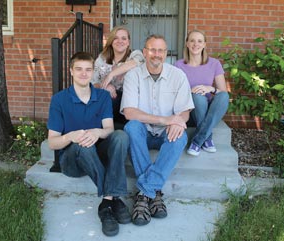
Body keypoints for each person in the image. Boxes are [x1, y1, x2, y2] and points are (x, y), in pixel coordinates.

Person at [47, 52, 130, 237]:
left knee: (120, 136)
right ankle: (114, 198)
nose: (84, 74)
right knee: (81, 145)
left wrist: (96, 132)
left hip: (96, 154)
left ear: (93, 72)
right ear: (71, 71)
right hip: (72, 162)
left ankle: (106, 204)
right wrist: (71, 136)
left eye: (88, 69)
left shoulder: (102, 96)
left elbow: (108, 128)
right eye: (79, 69)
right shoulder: (59, 100)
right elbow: (52, 142)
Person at [120, 35, 194, 226]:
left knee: (180, 137)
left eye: (161, 51)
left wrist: (177, 122)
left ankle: (145, 192)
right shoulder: (133, 75)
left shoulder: (178, 76)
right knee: (131, 127)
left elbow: (184, 111)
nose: (156, 54)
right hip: (143, 131)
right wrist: (165, 119)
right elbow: (129, 112)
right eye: (152, 50)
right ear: (144, 52)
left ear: (166, 54)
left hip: (165, 134)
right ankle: (155, 194)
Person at [175, 30, 229, 156]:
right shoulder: (178, 65)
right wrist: (191, 92)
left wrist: (210, 89)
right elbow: (175, 93)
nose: (195, 44)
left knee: (224, 96)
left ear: (204, 44)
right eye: (192, 40)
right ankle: (207, 138)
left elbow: (222, 91)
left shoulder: (214, 63)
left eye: (199, 41)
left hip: (210, 110)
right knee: (197, 96)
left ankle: (197, 141)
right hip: (190, 111)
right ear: (187, 44)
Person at [92, 26, 144, 124]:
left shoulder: (135, 55)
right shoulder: (102, 59)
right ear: (111, 41)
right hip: (109, 102)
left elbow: (136, 62)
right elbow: (93, 83)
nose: (120, 41)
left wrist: (111, 74)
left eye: (124, 38)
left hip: (130, 103)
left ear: (128, 42)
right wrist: (104, 86)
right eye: (116, 38)